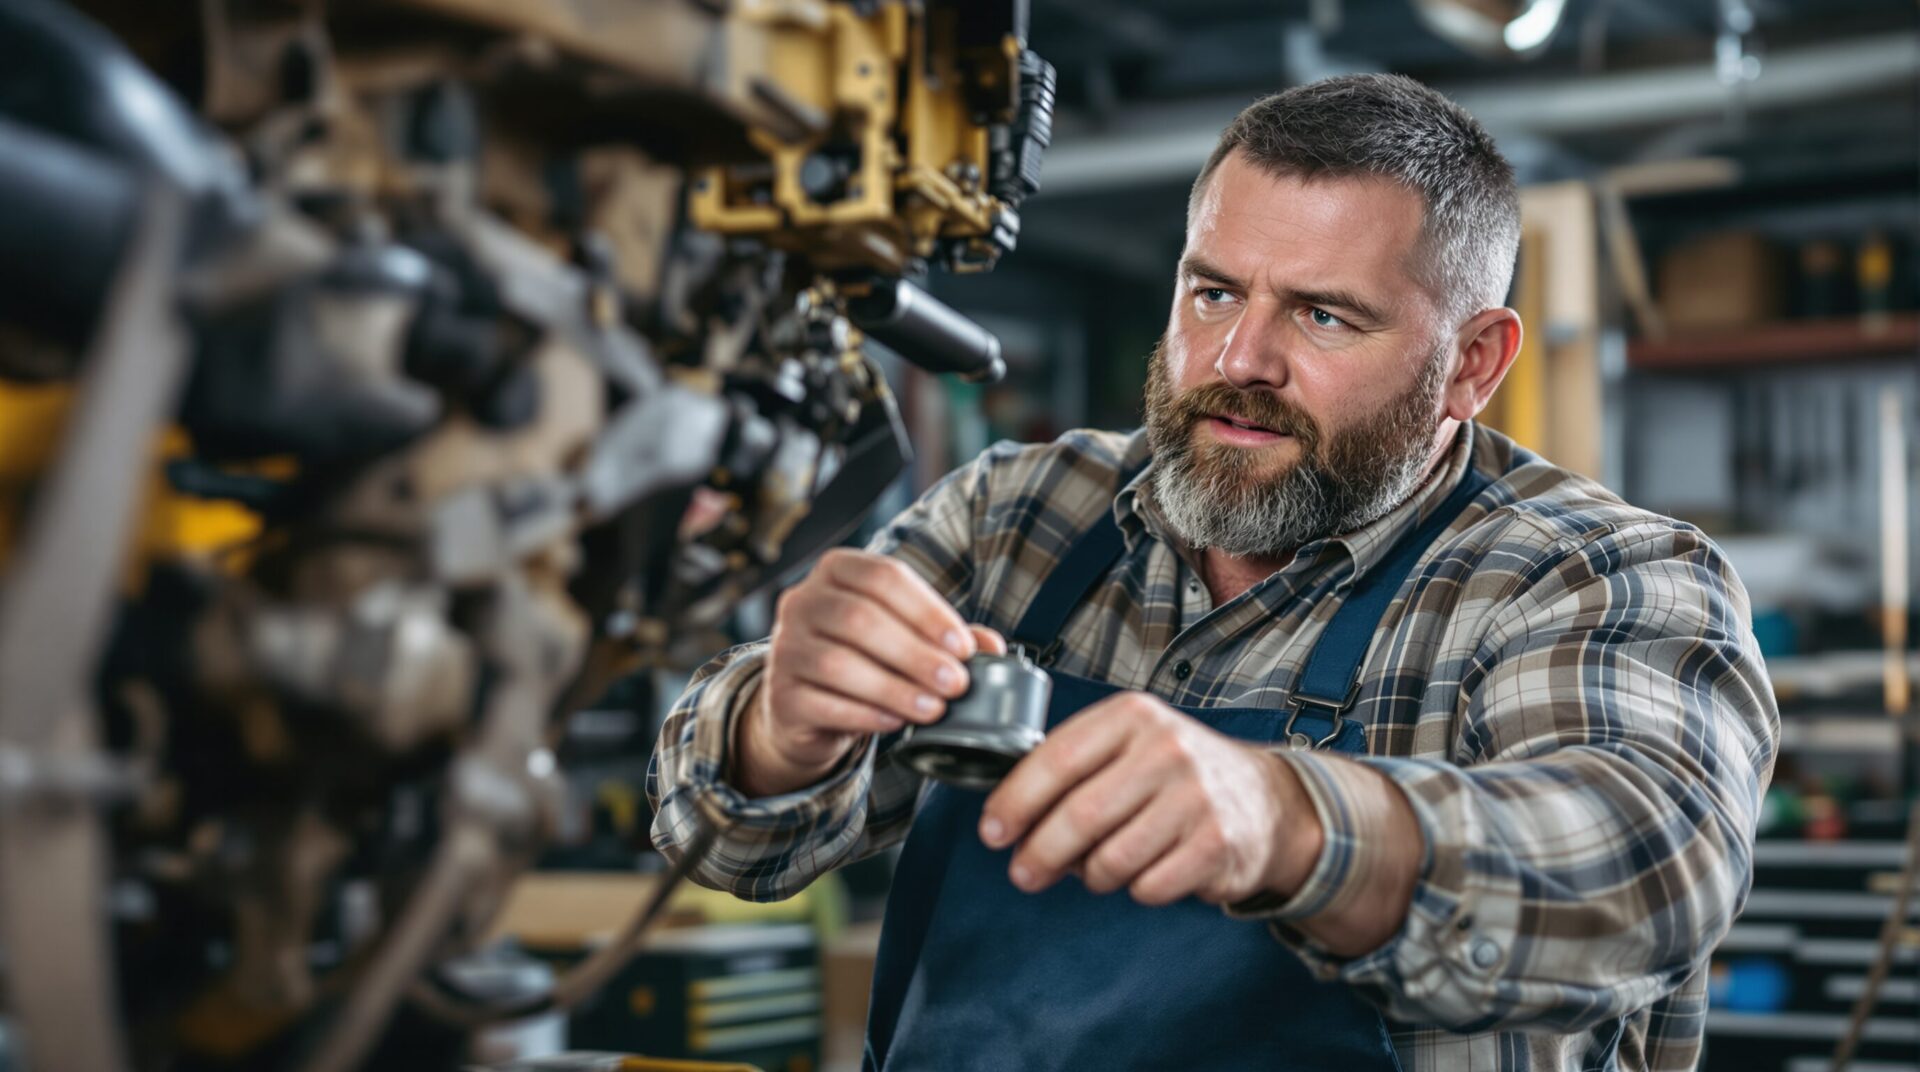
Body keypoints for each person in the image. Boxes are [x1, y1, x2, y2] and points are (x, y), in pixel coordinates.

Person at [648, 73, 1778, 1072]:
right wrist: (779, 728)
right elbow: (722, 842)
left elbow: (1648, 871)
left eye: (1324, 316)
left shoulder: (1591, 576)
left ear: (1471, 364)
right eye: (1215, 293)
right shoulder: (1019, 518)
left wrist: (1288, 822)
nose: (1240, 360)